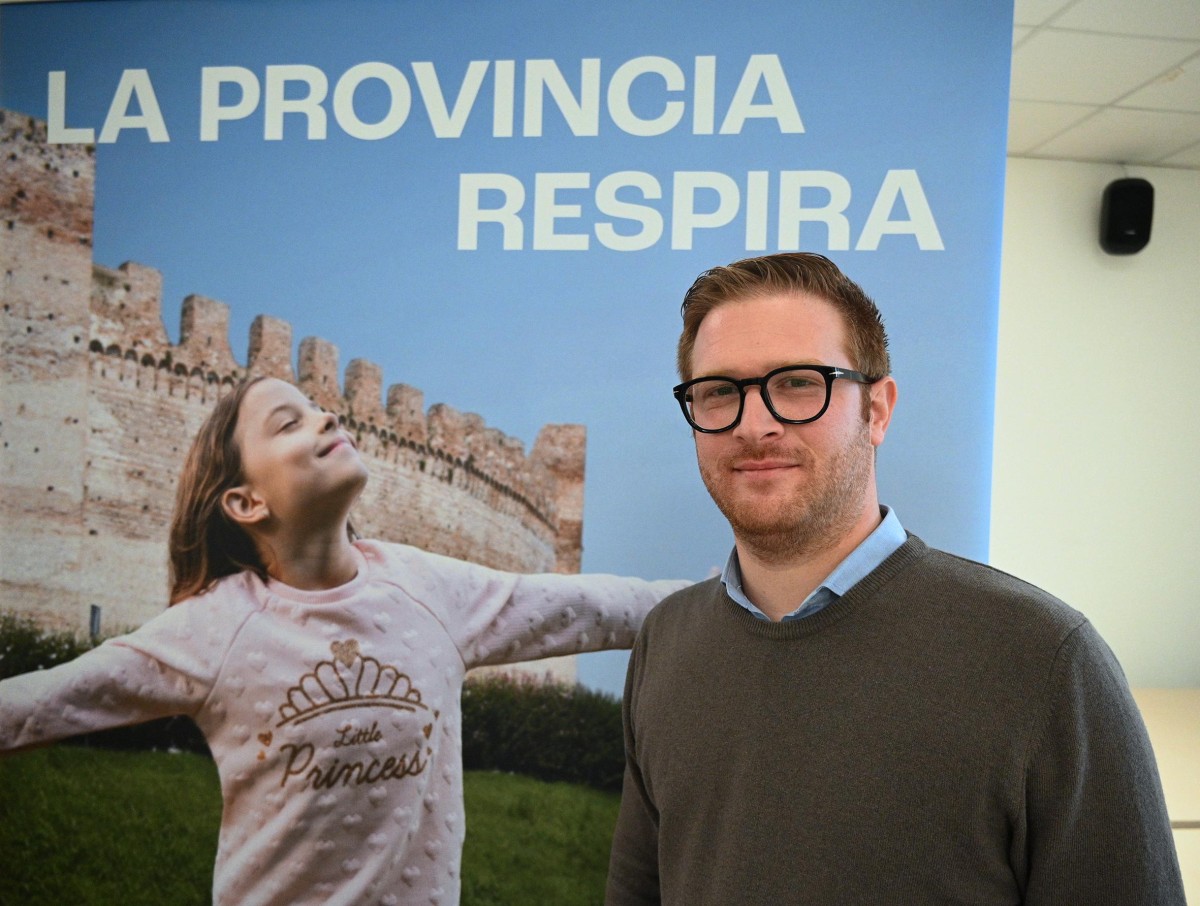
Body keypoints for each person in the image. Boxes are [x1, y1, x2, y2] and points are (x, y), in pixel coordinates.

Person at [605, 252, 1185, 905]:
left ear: (877, 409)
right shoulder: (667, 641)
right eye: (719, 391)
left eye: (797, 383)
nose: (754, 423)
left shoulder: (1043, 660)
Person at [0, 375, 686, 906]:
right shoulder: (214, 630)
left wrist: (720, 593)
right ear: (246, 502)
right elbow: (36, 705)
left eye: (318, 407)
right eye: (288, 422)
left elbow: (595, 608)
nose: (326, 416)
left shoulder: (428, 590)